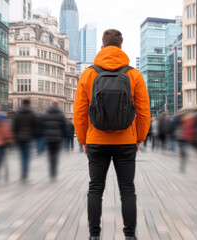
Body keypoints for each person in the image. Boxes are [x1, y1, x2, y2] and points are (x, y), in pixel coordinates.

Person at [73, 29, 151, 240]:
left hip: (96, 140)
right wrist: (139, 138)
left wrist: (83, 140)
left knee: (95, 188)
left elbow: (79, 112)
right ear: (121, 47)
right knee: (127, 189)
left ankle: (94, 235)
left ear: (102, 47)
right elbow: (144, 112)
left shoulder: (88, 74)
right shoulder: (133, 75)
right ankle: (129, 236)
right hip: (126, 141)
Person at [12, 99, 36, 182]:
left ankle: (22, 173)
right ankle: (25, 173)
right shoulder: (32, 113)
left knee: (22, 156)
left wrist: (15, 135)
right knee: (27, 157)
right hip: (28, 138)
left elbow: (14, 126)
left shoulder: (17, 113)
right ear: (29, 103)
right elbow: (34, 126)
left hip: (19, 138)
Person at [43, 101, 67, 180]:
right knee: (55, 155)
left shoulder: (46, 114)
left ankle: (51, 170)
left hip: (48, 138)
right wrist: (63, 136)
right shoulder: (61, 114)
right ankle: (54, 172)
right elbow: (64, 127)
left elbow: (43, 125)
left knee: (50, 155)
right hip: (57, 138)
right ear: (58, 105)